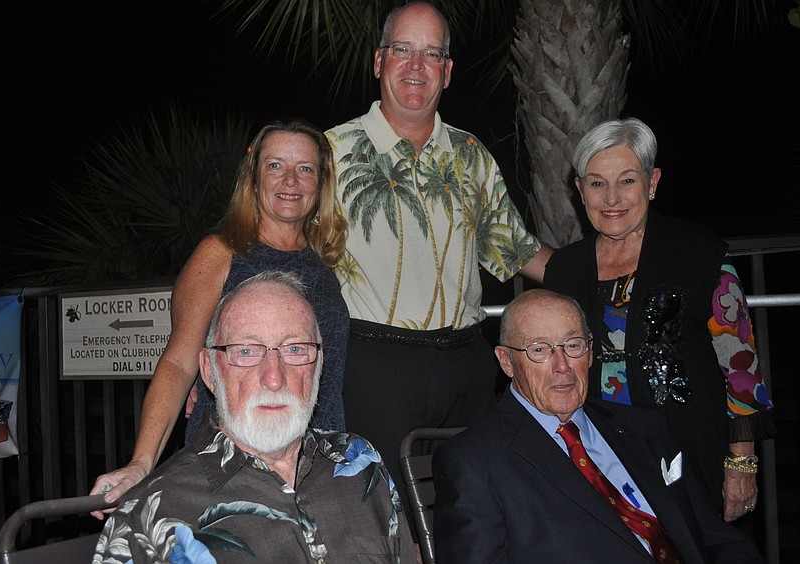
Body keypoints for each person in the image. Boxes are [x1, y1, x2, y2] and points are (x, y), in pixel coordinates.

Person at [324, 0, 553, 521]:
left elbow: (517, 251)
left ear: (447, 72)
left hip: (467, 371)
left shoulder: (471, 156)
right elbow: (274, 256)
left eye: (431, 54)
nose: (415, 66)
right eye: (402, 50)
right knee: (378, 523)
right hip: (372, 372)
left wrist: (609, 269)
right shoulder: (328, 155)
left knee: (469, 519)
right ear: (378, 61)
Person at [89, 118, 350, 514]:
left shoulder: (325, 265)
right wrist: (142, 462)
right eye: (275, 165)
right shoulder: (221, 253)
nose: (291, 180)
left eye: (305, 168)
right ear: (254, 178)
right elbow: (178, 362)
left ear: (321, 183)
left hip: (318, 470)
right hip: (233, 470)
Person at [93, 271, 417, 563]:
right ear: (209, 371)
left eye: (294, 349)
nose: (274, 378)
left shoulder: (360, 463)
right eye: (246, 351)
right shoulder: (152, 515)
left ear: (319, 364)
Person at [543, 117, 775, 522]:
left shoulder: (698, 250)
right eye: (597, 183)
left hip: (688, 453)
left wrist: (742, 463)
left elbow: (741, 364)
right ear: (580, 191)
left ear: (652, 182)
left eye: (627, 181)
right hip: (596, 457)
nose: (612, 197)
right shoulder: (565, 269)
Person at [432, 289, 766, 563]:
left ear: (591, 352)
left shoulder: (643, 428)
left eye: (573, 345)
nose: (562, 366)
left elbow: (711, 534)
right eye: (539, 350)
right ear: (506, 361)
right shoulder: (474, 462)